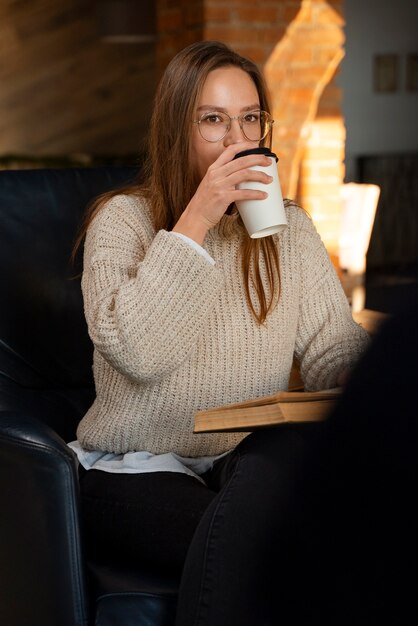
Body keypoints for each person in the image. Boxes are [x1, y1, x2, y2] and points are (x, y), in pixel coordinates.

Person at [69, 40, 369, 625]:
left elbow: (332, 342)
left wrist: (359, 376)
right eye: (213, 121)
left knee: (287, 456)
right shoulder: (122, 221)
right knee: (268, 552)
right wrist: (198, 220)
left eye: (249, 119)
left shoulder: (291, 230)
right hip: (134, 467)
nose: (238, 141)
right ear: (178, 131)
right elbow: (138, 352)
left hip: (240, 462)